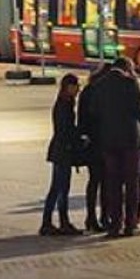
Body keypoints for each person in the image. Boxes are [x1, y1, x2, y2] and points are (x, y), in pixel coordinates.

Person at [90, 57, 140, 237]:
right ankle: (130, 224)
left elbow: (94, 114)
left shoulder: (99, 85)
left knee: (112, 183)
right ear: (128, 68)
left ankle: (115, 224)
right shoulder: (130, 83)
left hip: (108, 141)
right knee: (132, 183)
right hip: (131, 141)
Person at [41, 74, 83, 236]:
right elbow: (66, 130)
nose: (78, 89)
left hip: (59, 150)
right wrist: (79, 137)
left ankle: (51, 221)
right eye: (76, 86)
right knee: (60, 187)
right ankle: (58, 222)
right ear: (68, 87)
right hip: (62, 151)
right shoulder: (64, 104)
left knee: (58, 187)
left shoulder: (65, 102)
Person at [77, 63, 112, 232]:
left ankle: (91, 217)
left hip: (91, 143)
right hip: (103, 142)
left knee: (94, 181)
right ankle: (104, 217)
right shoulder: (102, 91)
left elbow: (81, 119)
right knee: (105, 181)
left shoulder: (88, 90)